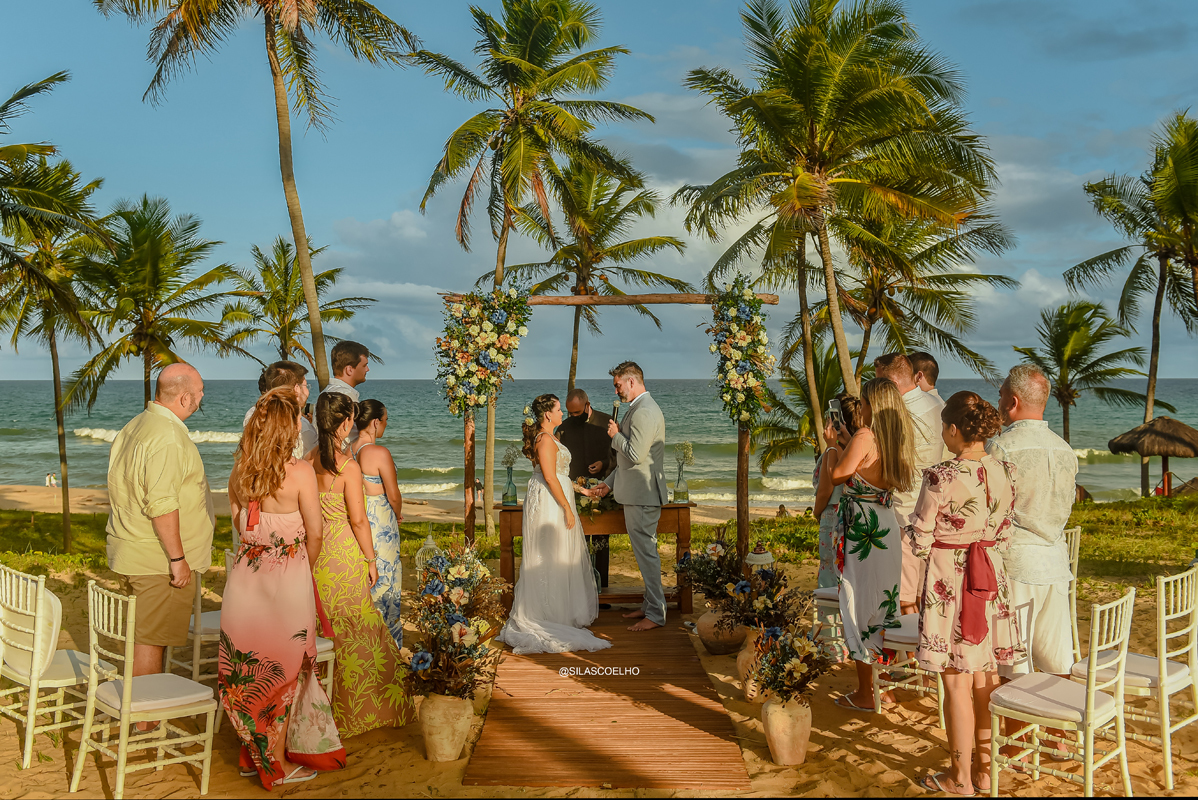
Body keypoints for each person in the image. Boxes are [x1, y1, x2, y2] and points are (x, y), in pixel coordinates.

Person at [222, 388, 345, 788]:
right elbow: (316, 532)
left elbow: (241, 528)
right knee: (285, 672)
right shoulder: (300, 473)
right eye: (295, 420)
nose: (300, 425)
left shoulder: (240, 472)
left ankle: (249, 755)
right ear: (286, 428)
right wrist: (298, 565)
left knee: (249, 669)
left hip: (244, 584)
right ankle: (274, 765)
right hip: (287, 583)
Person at [905, 391, 1019, 796]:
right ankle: (986, 773)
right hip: (990, 578)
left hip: (950, 582)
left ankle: (960, 779)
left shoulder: (941, 475)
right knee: (985, 677)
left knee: (955, 682)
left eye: (943, 429)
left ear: (953, 430)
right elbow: (1005, 531)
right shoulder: (1006, 470)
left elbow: (920, 536)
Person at [105, 362, 214, 728]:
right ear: (185, 397)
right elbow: (162, 505)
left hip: (134, 552)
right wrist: (178, 558)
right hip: (158, 561)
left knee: (146, 637)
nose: (200, 401)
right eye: (199, 395)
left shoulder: (136, 425)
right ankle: (145, 723)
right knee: (150, 642)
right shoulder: (167, 437)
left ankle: (140, 717)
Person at [309, 392, 413, 736]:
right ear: (345, 423)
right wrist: (370, 559)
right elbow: (358, 521)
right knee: (358, 628)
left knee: (328, 625)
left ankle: (323, 700)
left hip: (318, 552)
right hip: (345, 550)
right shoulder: (347, 466)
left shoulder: (310, 459)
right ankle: (361, 710)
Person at [825, 377, 916, 711]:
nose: (859, 408)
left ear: (870, 404)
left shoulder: (864, 436)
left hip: (863, 529)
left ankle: (867, 693)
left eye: (862, 402)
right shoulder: (895, 436)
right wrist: (850, 443)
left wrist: (834, 445)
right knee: (883, 606)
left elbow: (840, 475)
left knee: (859, 605)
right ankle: (886, 682)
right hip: (885, 524)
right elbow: (867, 466)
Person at [496, 394, 611, 655]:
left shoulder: (552, 437)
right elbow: (549, 477)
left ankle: (558, 611)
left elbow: (559, 476)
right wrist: (568, 508)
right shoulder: (545, 439)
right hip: (549, 501)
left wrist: (582, 491)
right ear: (548, 414)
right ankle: (544, 613)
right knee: (547, 554)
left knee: (558, 553)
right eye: (559, 410)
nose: (562, 414)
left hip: (556, 495)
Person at [985, 365, 1078, 682]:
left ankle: (1019, 733)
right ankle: (1056, 727)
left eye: (1000, 397)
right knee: (1057, 660)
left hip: (1017, 565)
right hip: (1054, 562)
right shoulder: (1064, 449)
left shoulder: (1001, 447)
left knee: (1014, 663)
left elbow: (990, 510)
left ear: (1011, 402)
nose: (998, 404)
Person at [594, 361, 670, 632]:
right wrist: (609, 483)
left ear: (632, 381)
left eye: (618, 385)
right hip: (636, 491)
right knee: (643, 553)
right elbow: (631, 460)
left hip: (643, 494)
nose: (616, 391)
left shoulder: (644, 412)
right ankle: (650, 605)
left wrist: (615, 436)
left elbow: (635, 455)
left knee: (646, 554)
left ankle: (657, 614)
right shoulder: (637, 409)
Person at [875, 352, 946, 616]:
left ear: (891, 383)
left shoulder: (897, 414)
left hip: (903, 513)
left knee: (904, 598)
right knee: (922, 592)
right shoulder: (938, 405)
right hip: (933, 511)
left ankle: (908, 653)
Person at [350, 399, 405, 650]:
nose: (385, 426)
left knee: (365, 579)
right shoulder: (378, 453)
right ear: (374, 422)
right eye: (384, 421)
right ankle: (388, 646)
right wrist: (398, 513)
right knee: (387, 577)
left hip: (357, 517)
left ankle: (365, 641)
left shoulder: (346, 451)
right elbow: (393, 494)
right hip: (380, 517)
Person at [558, 388, 616, 592]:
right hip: (575, 491)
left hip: (602, 489)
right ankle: (581, 591)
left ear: (587, 405)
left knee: (601, 541)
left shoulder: (607, 422)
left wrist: (603, 462)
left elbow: (618, 455)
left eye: (576, 413)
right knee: (578, 542)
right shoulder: (565, 427)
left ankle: (603, 589)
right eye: (569, 413)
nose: (572, 417)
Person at [813, 393, 864, 590]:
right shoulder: (857, 448)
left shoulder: (832, 451)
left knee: (830, 576)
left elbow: (825, 491)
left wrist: (816, 512)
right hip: (854, 516)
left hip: (833, 517)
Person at [244, 360, 317, 459]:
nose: (307, 391)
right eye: (306, 386)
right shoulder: (303, 426)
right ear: (296, 389)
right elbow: (315, 460)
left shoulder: (254, 415)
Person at [320, 340, 371, 448]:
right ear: (349, 370)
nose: (367, 369)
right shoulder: (344, 396)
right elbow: (351, 439)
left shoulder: (326, 392)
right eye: (364, 365)